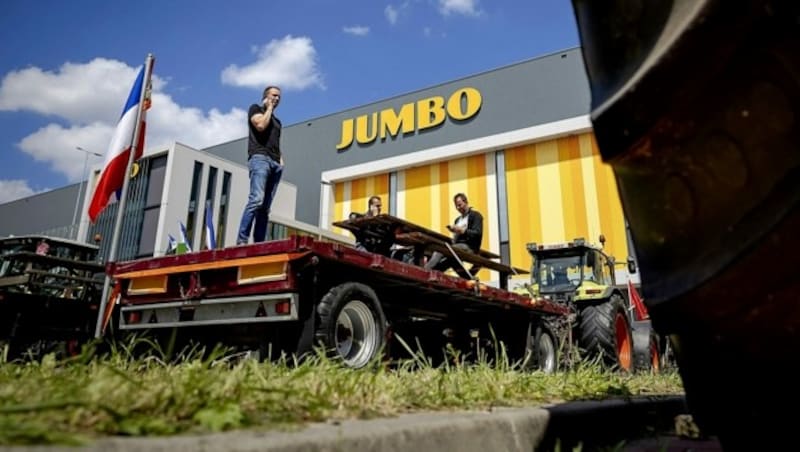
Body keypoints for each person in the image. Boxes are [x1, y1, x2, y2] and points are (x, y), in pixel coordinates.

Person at [236, 86, 284, 245]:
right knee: (256, 199)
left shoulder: (277, 122)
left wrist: (281, 162)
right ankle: (242, 240)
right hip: (260, 159)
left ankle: (258, 243)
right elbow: (261, 126)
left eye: (279, 97)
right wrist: (268, 108)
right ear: (265, 96)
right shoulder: (255, 109)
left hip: (275, 163)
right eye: (274, 96)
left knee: (265, 208)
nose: (276, 99)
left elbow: (275, 142)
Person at [424, 193, 483, 278]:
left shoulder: (476, 215)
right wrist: (454, 231)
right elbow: (455, 239)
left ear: (466, 202)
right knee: (449, 259)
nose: (458, 208)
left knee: (441, 250)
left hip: (470, 247)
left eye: (460, 205)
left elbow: (478, 233)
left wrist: (462, 230)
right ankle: (466, 277)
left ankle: (425, 271)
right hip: (458, 246)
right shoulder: (458, 220)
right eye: (456, 206)